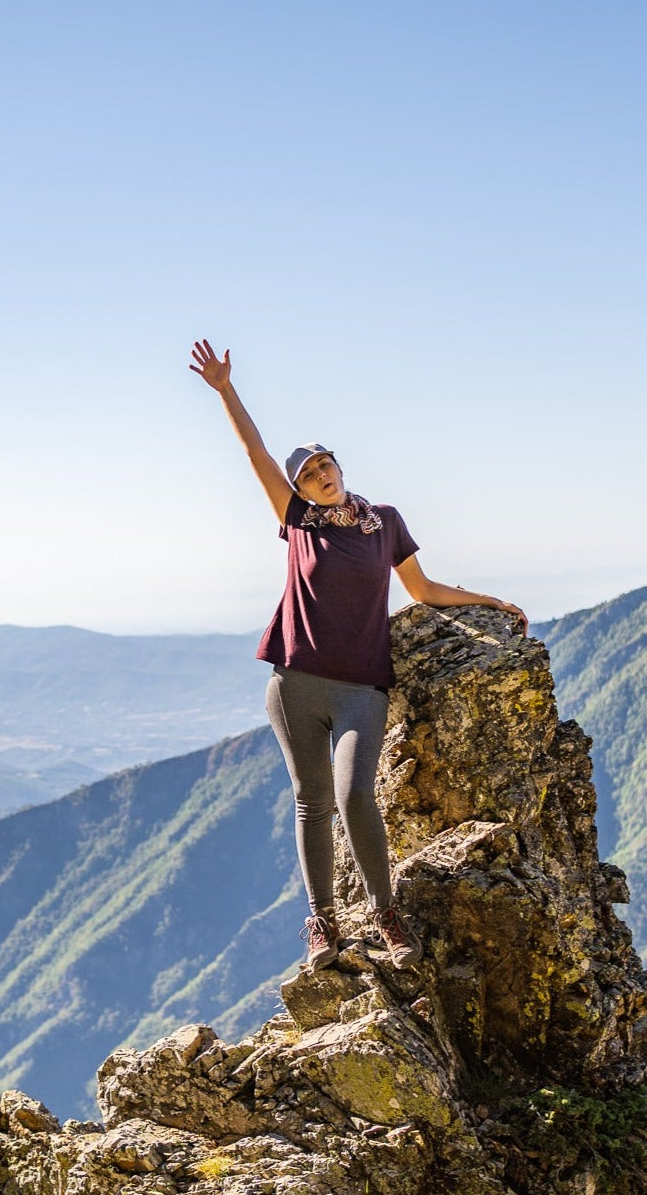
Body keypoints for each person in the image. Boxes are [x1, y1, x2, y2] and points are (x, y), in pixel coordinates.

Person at [189, 338, 527, 972]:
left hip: (360, 690)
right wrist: (226, 390)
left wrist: (490, 601)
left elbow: (422, 589)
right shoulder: (298, 522)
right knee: (311, 801)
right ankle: (322, 925)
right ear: (300, 489)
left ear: (340, 465)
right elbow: (255, 453)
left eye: (326, 465)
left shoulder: (385, 522)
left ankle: (385, 913)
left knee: (353, 796)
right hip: (294, 683)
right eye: (310, 474)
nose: (321, 476)